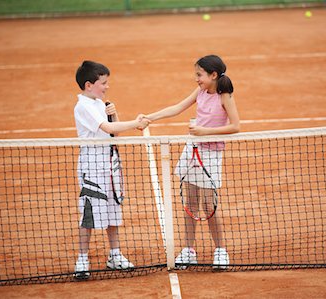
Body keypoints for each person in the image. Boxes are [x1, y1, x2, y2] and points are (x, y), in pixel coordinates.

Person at [142, 55, 240, 269]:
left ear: (213, 75)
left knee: (209, 206)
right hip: (192, 151)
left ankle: (221, 250)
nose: (196, 79)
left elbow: (235, 126)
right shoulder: (201, 92)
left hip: (211, 156)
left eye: (199, 75)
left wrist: (205, 131)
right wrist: (149, 117)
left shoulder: (225, 96)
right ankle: (188, 250)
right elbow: (177, 108)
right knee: (191, 204)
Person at [73, 60, 150, 278]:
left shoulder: (99, 103)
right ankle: (82, 260)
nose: (107, 87)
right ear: (89, 85)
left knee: (113, 210)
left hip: (110, 164)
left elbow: (114, 133)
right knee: (89, 214)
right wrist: (134, 123)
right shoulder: (83, 107)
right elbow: (106, 128)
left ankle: (115, 255)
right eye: (103, 83)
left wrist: (114, 114)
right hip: (92, 168)